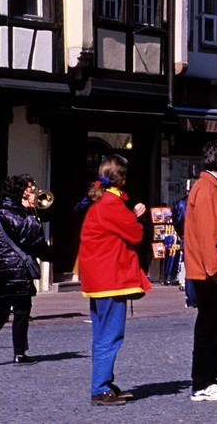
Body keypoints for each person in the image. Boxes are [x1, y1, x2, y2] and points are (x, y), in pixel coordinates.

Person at [78, 154, 149, 407]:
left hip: (98, 279)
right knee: (111, 334)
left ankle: (104, 382)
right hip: (110, 277)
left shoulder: (101, 201)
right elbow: (134, 233)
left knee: (102, 333)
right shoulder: (111, 203)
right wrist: (137, 215)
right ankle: (100, 387)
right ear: (121, 178)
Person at [0, 175, 51, 368]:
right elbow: (36, 243)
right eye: (30, 189)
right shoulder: (23, 216)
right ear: (21, 192)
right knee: (22, 311)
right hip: (17, 270)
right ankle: (20, 353)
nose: (33, 192)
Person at [185, 139, 217, 403]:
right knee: (210, 327)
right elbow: (209, 233)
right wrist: (215, 268)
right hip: (208, 272)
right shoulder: (206, 188)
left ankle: (207, 380)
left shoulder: (213, 187)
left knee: (214, 326)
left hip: (208, 269)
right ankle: (203, 382)